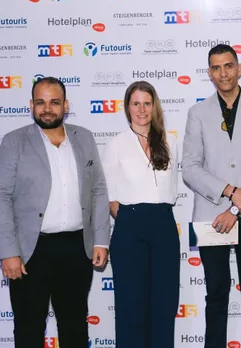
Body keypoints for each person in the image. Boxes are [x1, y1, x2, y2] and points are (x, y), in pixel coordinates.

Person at [0, 77, 110, 348]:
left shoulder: (84, 138)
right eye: (40, 102)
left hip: (77, 248)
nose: (47, 109)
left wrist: (101, 240)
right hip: (31, 251)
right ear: (31, 105)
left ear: (65, 106)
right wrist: (8, 252)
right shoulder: (14, 141)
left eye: (54, 102)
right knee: (29, 328)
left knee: (74, 327)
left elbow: (99, 190)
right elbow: (0, 197)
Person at [182, 44, 241, 348]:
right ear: (209, 73)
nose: (223, 73)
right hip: (210, 215)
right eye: (216, 67)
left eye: (228, 66)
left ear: (239, 68)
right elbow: (190, 168)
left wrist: (235, 207)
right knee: (216, 295)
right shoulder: (197, 113)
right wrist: (231, 192)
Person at [102, 81, 180, 348]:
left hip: (163, 225)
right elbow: (109, 195)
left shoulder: (170, 141)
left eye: (147, 103)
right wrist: (128, 219)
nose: (142, 109)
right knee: (130, 306)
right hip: (130, 227)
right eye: (136, 103)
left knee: (164, 304)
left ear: (154, 106)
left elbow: (173, 188)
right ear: (127, 107)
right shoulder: (116, 144)